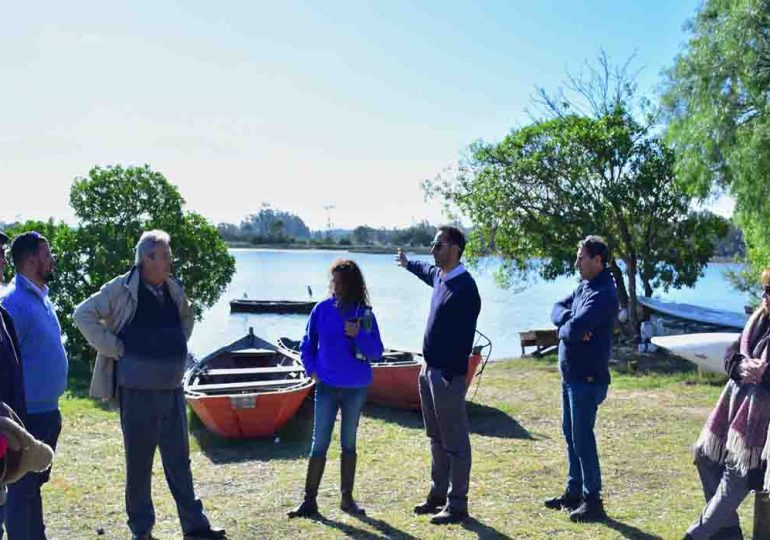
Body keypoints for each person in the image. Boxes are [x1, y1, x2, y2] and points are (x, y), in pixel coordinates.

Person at [73, 230, 225, 540]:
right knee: (139, 465)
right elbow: (83, 314)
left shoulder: (172, 287)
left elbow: (187, 314)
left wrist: (178, 344)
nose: (170, 260)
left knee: (179, 461)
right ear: (147, 259)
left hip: (172, 389)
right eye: (165, 255)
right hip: (138, 392)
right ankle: (141, 530)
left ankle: (195, 526)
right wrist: (115, 347)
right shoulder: (121, 288)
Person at [396, 225, 481, 525]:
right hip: (428, 370)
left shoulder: (465, 289)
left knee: (455, 440)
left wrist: (448, 373)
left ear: (454, 249)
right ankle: (438, 496)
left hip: (446, 376)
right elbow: (425, 270)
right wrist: (407, 264)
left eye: (438, 245)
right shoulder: (442, 277)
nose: (433, 249)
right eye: (433, 244)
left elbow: (464, 340)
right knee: (435, 437)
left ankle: (457, 505)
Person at [288, 259, 383, 519]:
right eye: (333, 281)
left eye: (340, 282)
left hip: (355, 388)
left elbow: (376, 352)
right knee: (319, 444)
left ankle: (347, 500)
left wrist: (358, 335)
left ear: (352, 284)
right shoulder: (321, 310)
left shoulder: (364, 314)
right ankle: (309, 502)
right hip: (327, 387)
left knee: (348, 444)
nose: (335, 286)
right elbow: (306, 345)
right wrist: (312, 370)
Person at [683, 268, 770, 540]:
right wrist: (741, 367)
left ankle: (696, 535)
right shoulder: (759, 321)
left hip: (761, 431)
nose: (766, 296)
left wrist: (764, 374)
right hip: (738, 410)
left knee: (737, 475)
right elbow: (731, 354)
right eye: (766, 289)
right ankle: (729, 532)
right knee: (704, 454)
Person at [546, 235, 618, 523]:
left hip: (587, 379)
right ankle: (574, 491)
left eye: (581, 257)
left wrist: (567, 328)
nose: (576, 262)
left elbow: (575, 329)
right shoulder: (584, 287)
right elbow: (556, 309)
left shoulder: (604, 294)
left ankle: (593, 500)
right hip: (571, 376)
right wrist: (568, 324)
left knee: (583, 438)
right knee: (571, 434)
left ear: (597, 260)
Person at [0, 231, 68, 539]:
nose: (52, 260)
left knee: (34, 485)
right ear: (30, 260)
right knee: (19, 491)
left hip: (47, 412)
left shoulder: (39, 296)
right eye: (47, 254)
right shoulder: (13, 302)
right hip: (25, 416)